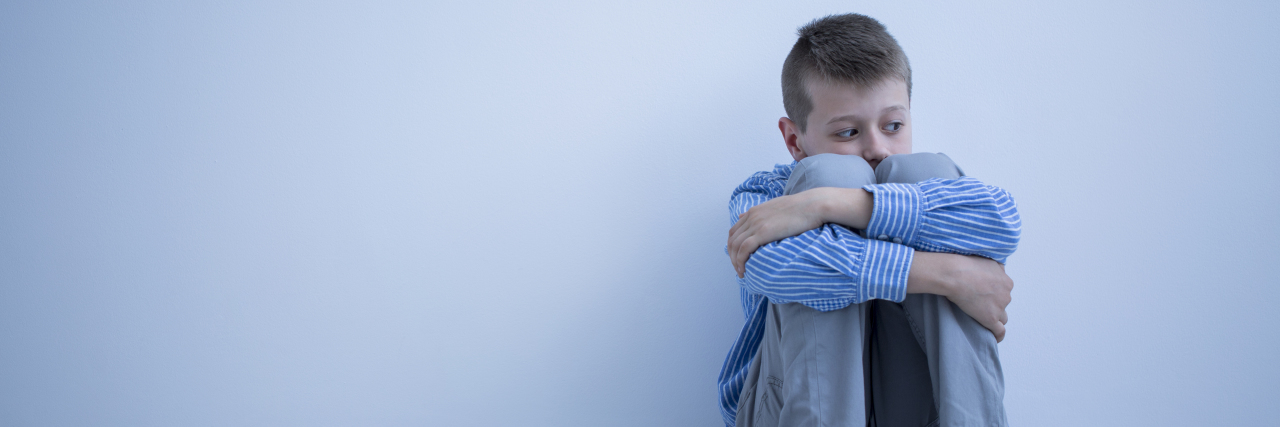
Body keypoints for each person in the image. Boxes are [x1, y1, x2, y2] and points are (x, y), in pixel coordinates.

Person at [717, 14, 1022, 427]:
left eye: (893, 125)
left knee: (921, 172)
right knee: (828, 174)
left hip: (911, 398)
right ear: (794, 140)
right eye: (847, 133)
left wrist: (831, 204)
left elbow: (1001, 222)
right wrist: (946, 274)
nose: (878, 149)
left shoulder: (930, 186)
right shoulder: (764, 196)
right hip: (786, 403)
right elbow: (775, 269)